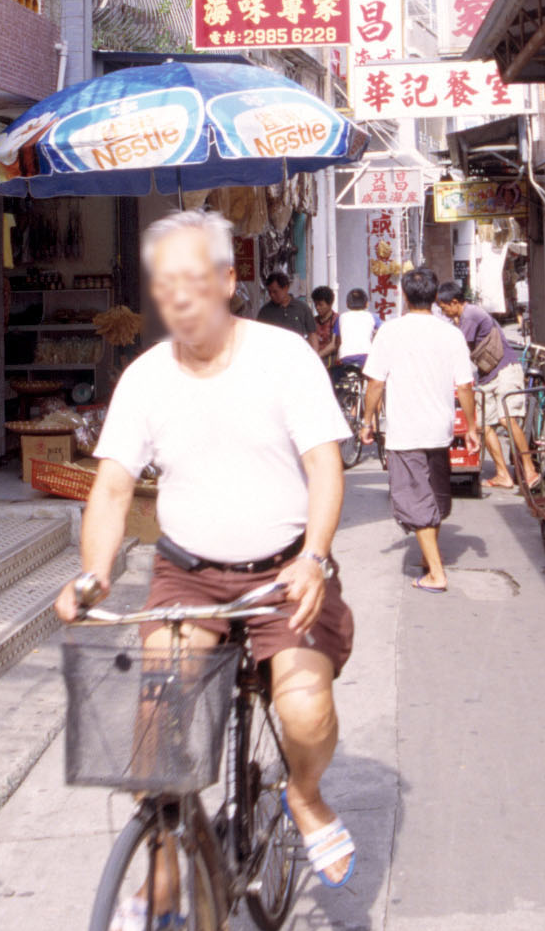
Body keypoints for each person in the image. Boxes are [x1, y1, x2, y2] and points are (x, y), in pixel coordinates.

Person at [54, 210, 357, 891]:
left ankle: (304, 795)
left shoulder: (286, 358)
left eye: (194, 278)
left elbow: (325, 464)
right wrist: (93, 575)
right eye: (166, 283)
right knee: (154, 733)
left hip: (283, 573)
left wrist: (314, 554)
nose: (180, 297)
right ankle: (162, 863)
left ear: (227, 280)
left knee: (305, 710)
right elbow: (110, 488)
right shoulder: (145, 377)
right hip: (187, 575)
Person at [361, 264, 478, 592]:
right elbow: (465, 386)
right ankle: (430, 558)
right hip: (439, 428)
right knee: (433, 493)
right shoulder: (451, 333)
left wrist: (367, 421)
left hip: (406, 429)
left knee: (415, 497)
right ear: (435, 295)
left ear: (404, 295)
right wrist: (471, 427)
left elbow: (375, 383)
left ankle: (437, 573)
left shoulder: (390, 332)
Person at [438, 279, 536, 492]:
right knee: (483, 425)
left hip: (505, 369)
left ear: (454, 302)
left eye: (443, 305)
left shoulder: (470, 314)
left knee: (506, 419)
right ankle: (503, 474)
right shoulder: (459, 319)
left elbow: (457, 348)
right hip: (487, 375)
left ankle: (529, 470)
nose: (442, 310)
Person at [257, 268, 314, 336]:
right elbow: (259, 335)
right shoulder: (265, 312)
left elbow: (312, 334)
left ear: (286, 288)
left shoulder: (302, 308)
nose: (272, 295)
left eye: (275, 292)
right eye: (269, 292)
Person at [335, 287, 375, 371]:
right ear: (367, 304)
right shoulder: (371, 316)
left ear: (347, 304)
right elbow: (381, 331)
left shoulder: (341, 317)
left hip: (345, 356)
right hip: (366, 356)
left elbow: (338, 340)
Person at [308, 284, 341, 364]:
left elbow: (334, 345)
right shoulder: (313, 321)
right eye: (316, 304)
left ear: (330, 304)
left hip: (332, 362)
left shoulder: (337, 319)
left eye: (320, 304)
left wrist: (317, 356)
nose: (317, 308)